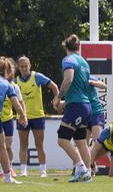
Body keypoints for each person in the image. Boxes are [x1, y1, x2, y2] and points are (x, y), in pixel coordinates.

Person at [53, 34, 94, 183]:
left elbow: (68, 79)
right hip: (86, 106)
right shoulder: (84, 63)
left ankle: (82, 169)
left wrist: (58, 97)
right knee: (81, 142)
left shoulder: (68, 60)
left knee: (62, 139)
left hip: (76, 106)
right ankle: (86, 174)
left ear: (66, 46)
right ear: (79, 47)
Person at [15, 56, 58, 177]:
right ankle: (23, 171)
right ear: (18, 67)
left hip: (38, 116)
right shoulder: (15, 81)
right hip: (22, 117)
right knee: (23, 145)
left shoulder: (37, 77)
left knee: (39, 144)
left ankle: (43, 171)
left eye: (26, 66)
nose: (24, 68)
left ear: (30, 65)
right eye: (22, 66)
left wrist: (57, 99)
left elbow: (54, 86)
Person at [0, 57, 26, 184]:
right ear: (8, 71)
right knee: (2, 148)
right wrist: (23, 116)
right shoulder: (7, 84)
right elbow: (17, 105)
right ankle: (8, 178)